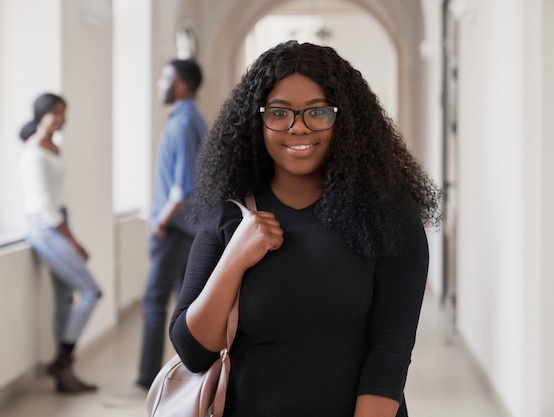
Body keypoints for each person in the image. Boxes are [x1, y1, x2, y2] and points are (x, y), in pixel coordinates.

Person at [169, 41, 442, 417]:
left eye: (317, 112)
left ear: (343, 119)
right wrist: (233, 259)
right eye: (279, 113)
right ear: (257, 119)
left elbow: (390, 353)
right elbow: (193, 350)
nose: (297, 128)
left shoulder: (388, 215)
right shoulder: (230, 215)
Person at [103, 59, 208, 407]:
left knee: (154, 300)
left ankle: (146, 379)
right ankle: (194, 374)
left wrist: (161, 220)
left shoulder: (182, 122)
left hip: (175, 228)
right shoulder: (192, 118)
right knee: (187, 302)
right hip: (188, 227)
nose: (159, 84)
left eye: (164, 78)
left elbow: (183, 185)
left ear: (179, 85)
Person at [18, 93, 102, 394]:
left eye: (63, 112)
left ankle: (64, 373)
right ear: (40, 114)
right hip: (45, 227)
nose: (60, 118)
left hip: (57, 221)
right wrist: (74, 241)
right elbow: (44, 206)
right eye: (54, 112)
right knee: (92, 291)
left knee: (65, 300)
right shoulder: (33, 153)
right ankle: (61, 360)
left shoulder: (54, 146)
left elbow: (56, 201)